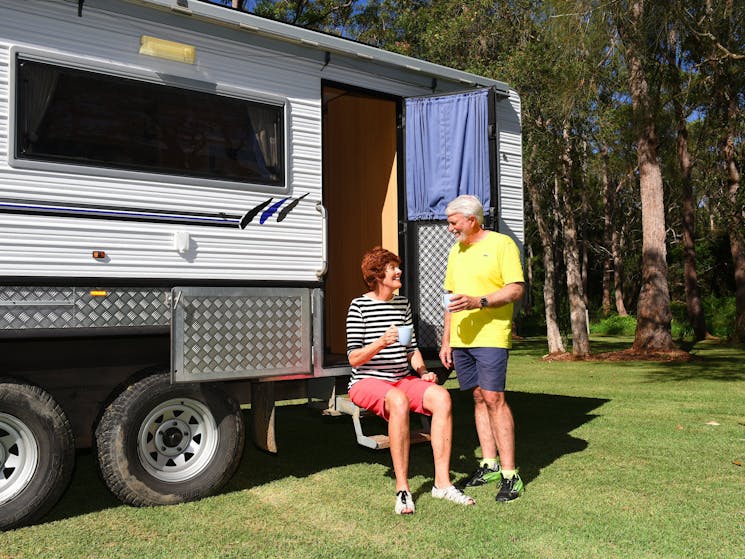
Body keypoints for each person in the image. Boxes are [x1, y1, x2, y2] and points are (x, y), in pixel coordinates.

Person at [346, 246, 475, 514]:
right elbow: (354, 358)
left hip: (400, 377)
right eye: (392, 267)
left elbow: (411, 348)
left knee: (441, 396)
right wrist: (381, 342)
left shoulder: (402, 303)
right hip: (366, 381)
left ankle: (442, 483)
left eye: (397, 266)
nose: (399, 271)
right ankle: (403, 489)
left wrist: (421, 372)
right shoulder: (359, 306)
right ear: (377, 275)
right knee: (399, 401)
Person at [438, 195, 526, 502]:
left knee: (494, 398)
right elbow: (450, 298)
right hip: (462, 338)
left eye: (453, 223)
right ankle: (489, 464)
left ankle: (510, 474)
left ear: (471, 220)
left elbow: (515, 288)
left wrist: (480, 302)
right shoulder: (456, 251)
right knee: (477, 397)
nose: (450, 229)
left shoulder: (502, 245)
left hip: (490, 335)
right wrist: (447, 339)